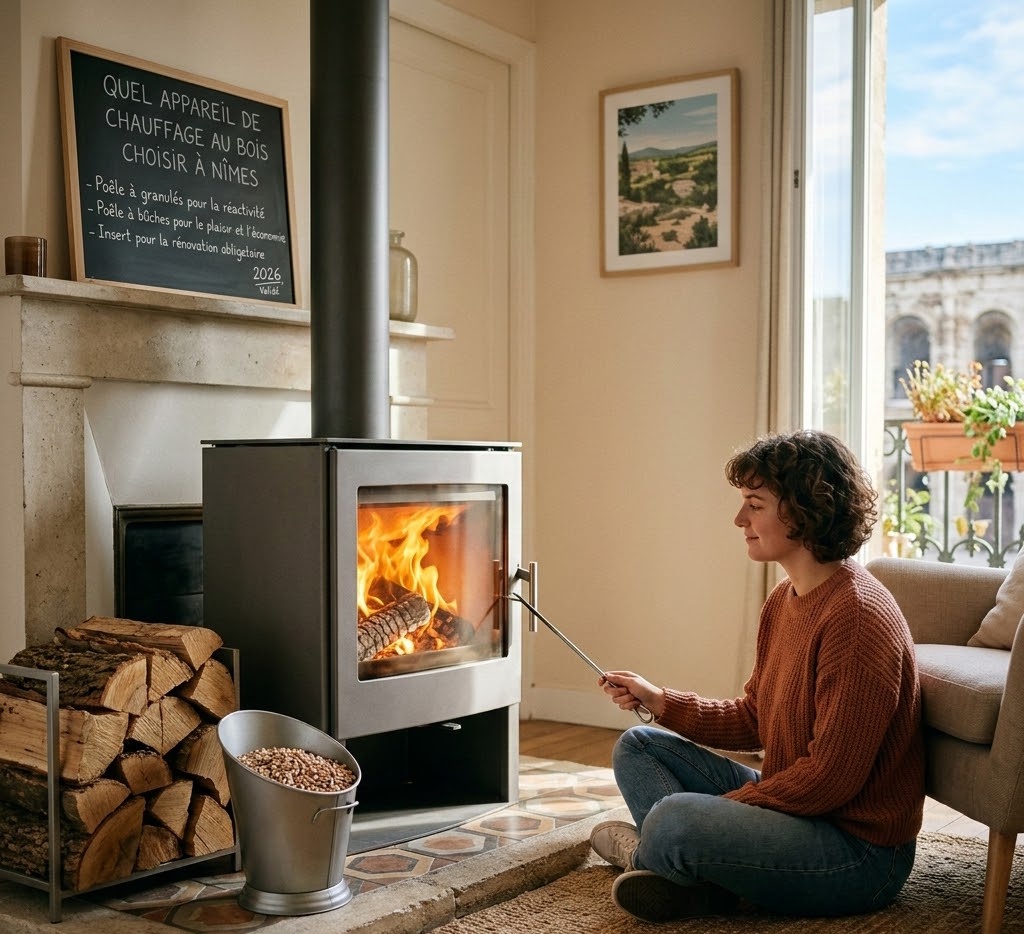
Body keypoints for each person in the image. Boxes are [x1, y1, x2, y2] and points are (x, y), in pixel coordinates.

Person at [589, 429, 925, 924]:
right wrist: (658, 700)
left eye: (754, 504)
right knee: (639, 745)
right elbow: (754, 717)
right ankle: (704, 875)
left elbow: (830, 779)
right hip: (800, 811)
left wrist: (725, 809)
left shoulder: (857, 617)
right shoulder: (784, 600)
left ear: (803, 510)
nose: (739, 519)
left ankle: (648, 856)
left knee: (676, 819)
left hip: (858, 853)